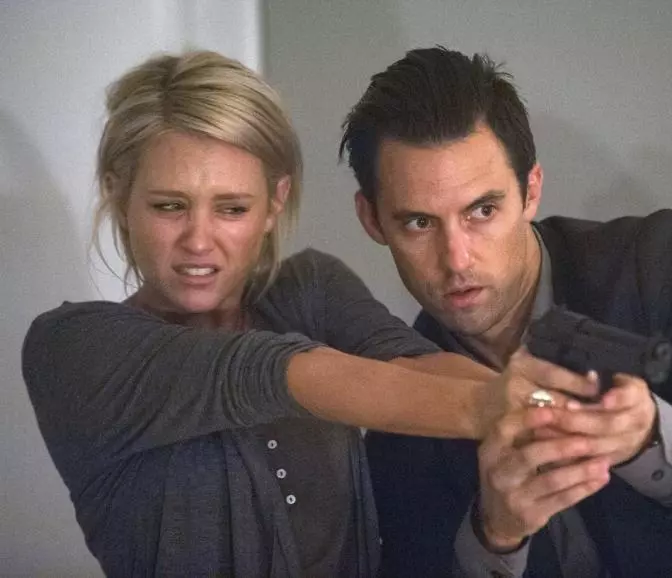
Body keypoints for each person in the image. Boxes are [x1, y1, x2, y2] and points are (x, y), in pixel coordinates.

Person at [21, 50, 505, 578]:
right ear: (118, 193)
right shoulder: (72, 347)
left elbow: (414, 364)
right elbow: (271, 373)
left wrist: (540, 407)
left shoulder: (309, 287)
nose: (199, 241)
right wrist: (498, 410)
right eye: (169, 206)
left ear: (276, 201)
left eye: (232, 208)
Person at [340, 46, 672, 577]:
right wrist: (494, 538)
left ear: (530, 191)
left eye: (483, 210)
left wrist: (654, 439)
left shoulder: (669, 266)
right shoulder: (400, 423)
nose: (456, 259)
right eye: (419, 223)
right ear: (371, 220)